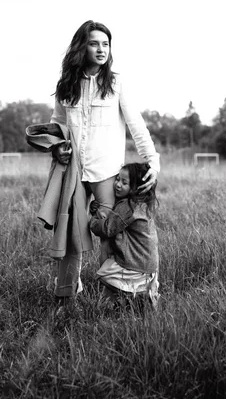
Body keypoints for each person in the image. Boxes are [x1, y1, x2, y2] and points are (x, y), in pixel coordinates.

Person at [50, 20, 160, 300]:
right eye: (94, 43)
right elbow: (56, 124)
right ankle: (67, 293)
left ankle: (112, 296)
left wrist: (153, 161)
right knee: (71, 231)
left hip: (106, 173)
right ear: (81, 47)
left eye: (106, 44)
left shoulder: (116, 83)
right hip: (74, 172)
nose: (101, 49)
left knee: (109, 236)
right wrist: (56, 148)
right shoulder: (66, 85)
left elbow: (136, 125)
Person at [89, 162, 159, 308]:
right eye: (117, 179)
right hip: (149, 265)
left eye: (124, 182)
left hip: (135, 266)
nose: (117, 184)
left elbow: (107, 228)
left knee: (105, 274)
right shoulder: (142, 204)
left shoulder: (128, 207)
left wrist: (94, 219)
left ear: (136, 187)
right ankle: (141, 296)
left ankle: (123, 301)